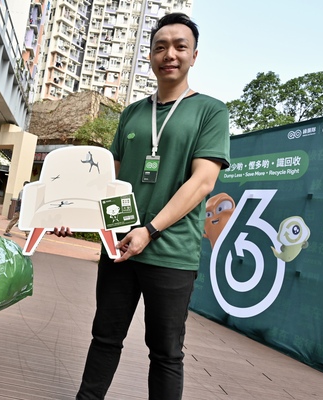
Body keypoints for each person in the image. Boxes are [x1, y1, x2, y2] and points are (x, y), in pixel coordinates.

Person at [52, 13, 230, 399]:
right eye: (160, 46)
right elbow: (104, 180)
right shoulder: (132, 113)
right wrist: (72, 215)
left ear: (194, 55)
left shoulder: (210, 111)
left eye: (180, 46)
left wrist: (150, 230)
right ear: (149, 56)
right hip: (118, 247)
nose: (170, 54)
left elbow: (202, 182)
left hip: (171, 253)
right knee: (105, 338)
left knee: (166, 353)